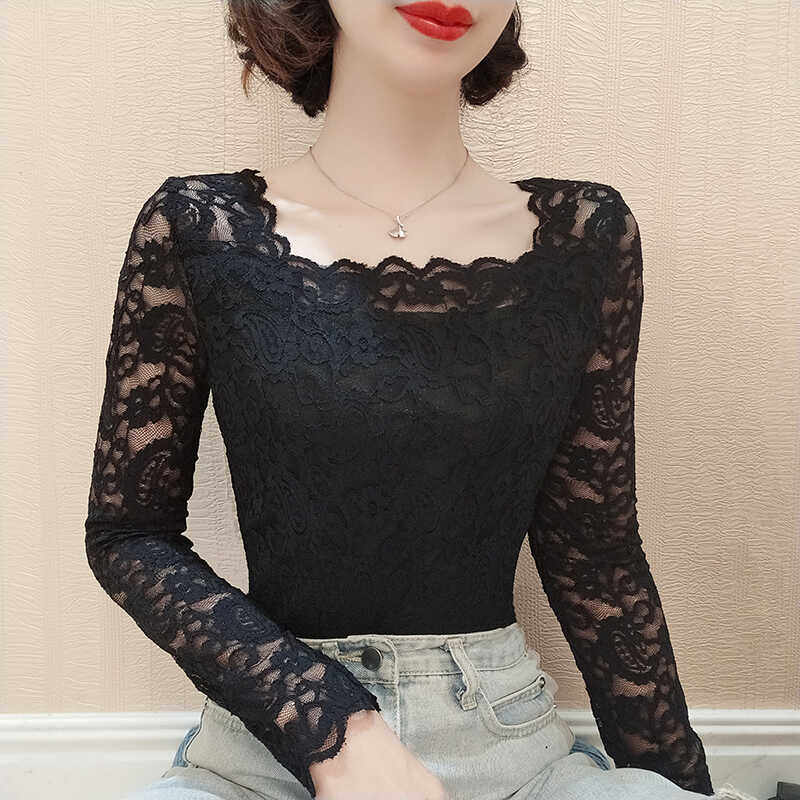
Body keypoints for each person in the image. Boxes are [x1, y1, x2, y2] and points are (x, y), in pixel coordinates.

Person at [84, 2, 751, 799]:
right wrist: (330, 726)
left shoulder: (584, 237)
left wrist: (679, 787)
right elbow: (129, 534)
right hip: (264, 756)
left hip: (515, 755)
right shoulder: (199, 228)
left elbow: (593, 554)